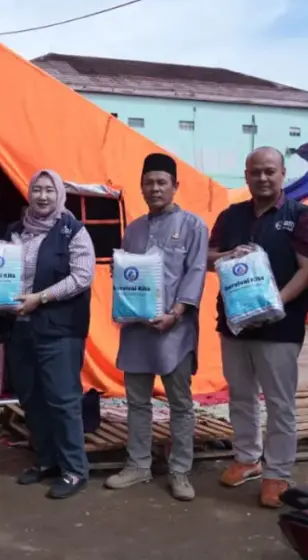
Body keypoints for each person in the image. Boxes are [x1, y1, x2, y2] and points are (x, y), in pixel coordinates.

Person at [207, 146, 308, 508]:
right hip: (235, 325)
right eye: (255, 172)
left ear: (282, 174)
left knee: (279, 402)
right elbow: (208, 256)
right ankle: (247, 458)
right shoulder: (231, 216)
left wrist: (275, 304)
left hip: (280, 327)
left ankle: (278, 473)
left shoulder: (303, 217)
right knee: (241, 395)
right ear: (246, 175)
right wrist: (226, 256)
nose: (262, 178)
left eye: (269, 171)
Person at [105, 153, 208, 501]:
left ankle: (180, 471)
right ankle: (138, 465)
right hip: (137, 330)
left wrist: (176, 313)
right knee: (137, 401)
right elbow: (128, 275)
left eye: (162, 182)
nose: (155, 188)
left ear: (175, 186)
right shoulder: (133, 229)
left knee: (180, 402)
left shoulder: (194, 226)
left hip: (174, 331)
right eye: (149, 182)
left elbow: (195, 272)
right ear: (141, 186)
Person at [7, 170, 95, 500]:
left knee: (62, 398)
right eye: (36, 190)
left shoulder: (73, 230)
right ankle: (47, 461)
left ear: (59, 194)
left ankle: (75, 470)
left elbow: (82, 277)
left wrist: (40, 298)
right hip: (20, 328)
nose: (42, 196)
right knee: (31, 398)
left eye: (49, 190)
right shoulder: (15, 231)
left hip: (60, 329)